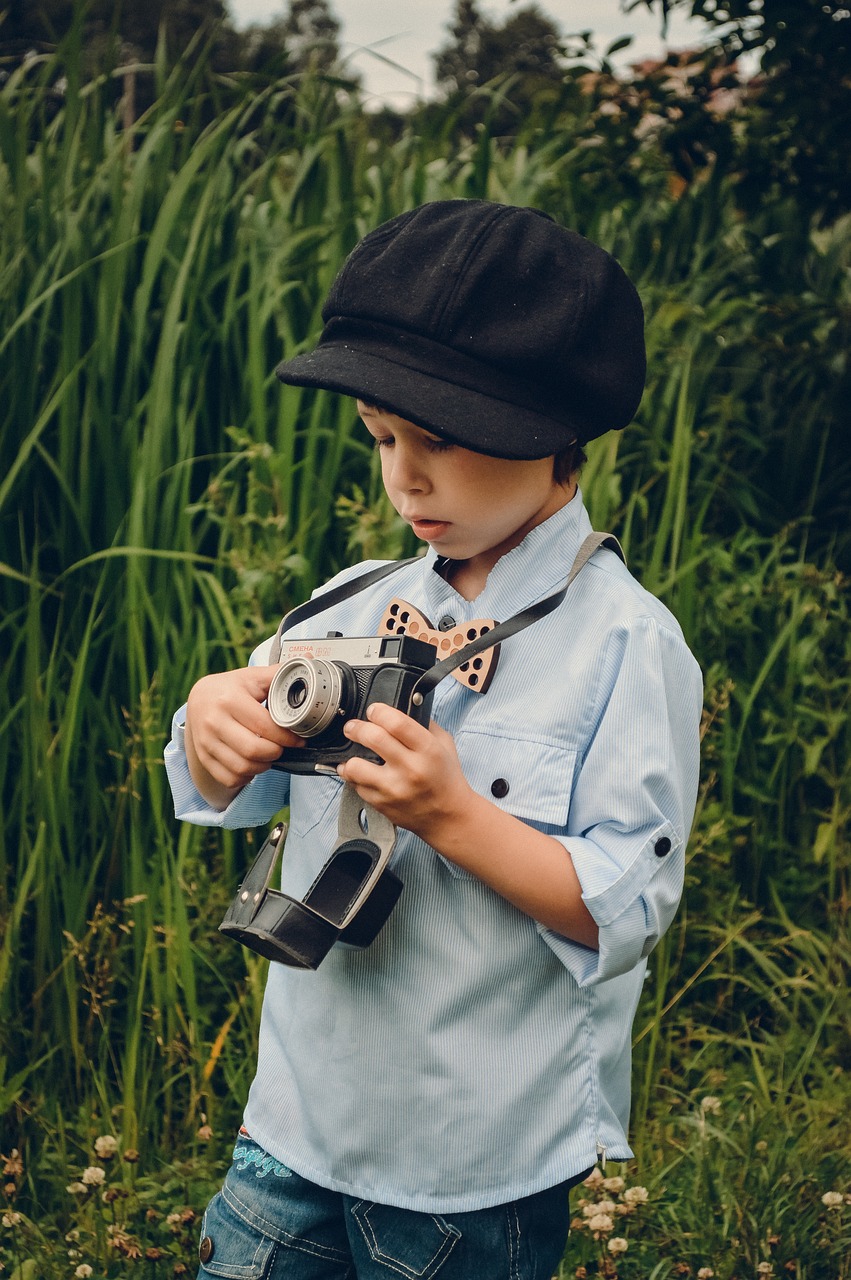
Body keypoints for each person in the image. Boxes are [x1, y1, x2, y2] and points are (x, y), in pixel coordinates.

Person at [165, 199, 703, 1280]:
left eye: (439, 443)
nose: (402, 477)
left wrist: (454, 815)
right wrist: (211, 722)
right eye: (380, 438)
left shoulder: (623, 646)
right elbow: (230, 776)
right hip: (297, 1119)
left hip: (476, 1159)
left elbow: (625, 906)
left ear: (551, 433)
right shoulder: (344, 603)